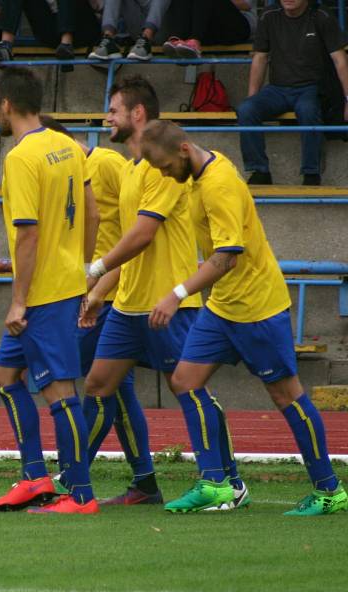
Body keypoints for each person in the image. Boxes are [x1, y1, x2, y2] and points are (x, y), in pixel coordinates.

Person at [140, 120, 347, 516]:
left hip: (257, 307)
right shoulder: (202, 172)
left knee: (286, 394)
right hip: (222, 307)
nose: (165, 174)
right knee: (185, 380)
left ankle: (329, 490)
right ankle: (218, 483)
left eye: (165, 166)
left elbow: (226, 256)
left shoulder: (217, 184)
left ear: (183, 150)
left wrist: (177, 293)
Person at [83, 75, 249, 509]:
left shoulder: (164, 170)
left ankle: (226, 479)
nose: (107, 119)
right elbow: (133, 247)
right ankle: (74, 483)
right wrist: (102, 290)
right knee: (98, 385)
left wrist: (95, 270)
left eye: (114, 110)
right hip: (129, 304)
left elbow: (141, 235)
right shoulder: (135, 168)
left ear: (137, 114)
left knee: (187, 389)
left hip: (169, 304)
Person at [0, 68, 101, 515]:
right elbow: (91, 213)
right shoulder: (67, 146)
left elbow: (27, 235)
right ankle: (36, 477)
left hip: (41, 295)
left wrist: (19, 300)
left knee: (59, 390)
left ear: (7, 104)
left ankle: (82, 495)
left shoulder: (21, 158)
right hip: (65, 282)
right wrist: (84, 270)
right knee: (3, 375)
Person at [39, 115, 159, 506]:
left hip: (108, 294)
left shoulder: (107, 164)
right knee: (115, 390)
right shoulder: (67, 173)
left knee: (98, 389)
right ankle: (145, 481)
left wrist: (100, 288)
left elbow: (132, 233)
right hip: (88, 292)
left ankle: (71, 477)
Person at [236, 0, 348, 186]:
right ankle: (259, 170)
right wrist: (252, 96)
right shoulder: (269, 15)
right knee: (246, 109)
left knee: (308, 110)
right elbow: (260, 57)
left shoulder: (322, 16)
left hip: (312, 87)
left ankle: (311, 172)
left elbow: (340, 60)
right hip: (277, 89)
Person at [0, 0, 101, 65]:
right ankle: (5, 45)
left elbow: (99, 6)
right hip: (50, 31)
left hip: (82, 29)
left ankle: (66, 43)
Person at [162, 0, 256, 59]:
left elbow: (246, 4)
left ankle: (195, 42)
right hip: (208, 29)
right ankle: (179, 41)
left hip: (238, 27)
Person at [88, 0, 171, 61]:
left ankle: (146, 38)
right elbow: (99, 7)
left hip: (164, 31)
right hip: (138, 33)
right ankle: (108, 39)